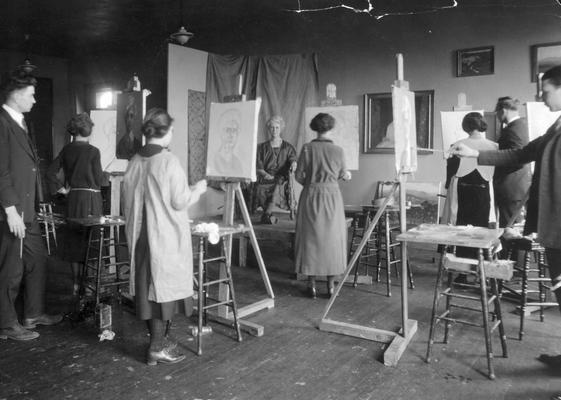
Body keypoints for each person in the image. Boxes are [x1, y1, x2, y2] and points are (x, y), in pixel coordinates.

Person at [451, 66, 561, 389]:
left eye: (547, 90)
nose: (540, 96)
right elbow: (523, 153)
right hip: (554, 228)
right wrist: (476, 152)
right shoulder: (556, 126)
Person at [122, 108, 207, 366]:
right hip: (163, 238)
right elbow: (180, 201)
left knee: (150, 295)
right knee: (162, 295)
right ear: (165, 133)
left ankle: (158, 343)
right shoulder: (168, 161)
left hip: (140, 238)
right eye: (171, 130)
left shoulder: (135, 160)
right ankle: (156, 346)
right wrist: (198, 190)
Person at [0, 71, 62, 341]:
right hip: (11, 212)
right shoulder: (2, 123)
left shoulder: (21, 122)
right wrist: (10, 209)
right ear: (16, 94)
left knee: (37, 259)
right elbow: (0, 171)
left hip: (28, 209)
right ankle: (5, 324)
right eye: (31, 95)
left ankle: (33, 313)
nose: (35, 100)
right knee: (11, 268)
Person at [294, 113, 351, 298]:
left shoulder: (307, 149)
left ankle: (311, 284)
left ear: (314, 127)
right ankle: (331, 284)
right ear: (330, 128)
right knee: (332, 239)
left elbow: (299, 176)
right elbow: (344, 174)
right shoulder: (339, 151)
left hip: (310, 196)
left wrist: (312, 184)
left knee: (310, 238)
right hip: (332, 197)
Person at [46, 113, 104, 295]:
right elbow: (99, 180)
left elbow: (49, 173)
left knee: (73, 242)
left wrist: (62, 189)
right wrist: (107, 176)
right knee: (91, 242)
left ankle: (75, 286)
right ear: (89, 130)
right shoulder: (93, 151)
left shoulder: (67, 149)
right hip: (90, 200)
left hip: (73, 200)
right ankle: (88, 286)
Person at [443, 112, 498, 283]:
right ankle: (482, 269)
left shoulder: (457, 144)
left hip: (462, 191)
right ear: (482, 125)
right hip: (484, 191)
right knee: (482, 228)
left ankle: (463, 272)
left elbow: (451, 172)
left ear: (465, 126)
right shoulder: (494, 146)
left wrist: (447, 186)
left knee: (462, 229)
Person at [493, 96, 532, 227]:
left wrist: (497, 158)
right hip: (515, 187)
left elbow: (519, 158)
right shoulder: (520, 125)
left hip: (511, 188)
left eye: (497, 113)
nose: (497, 116)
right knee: (510, 230)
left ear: (503, 111)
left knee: (511, 232)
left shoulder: (514, 128)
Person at [254, 115, 297, 224]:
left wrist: (293, 163)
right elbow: (258, 165)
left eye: (277, 127)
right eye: (272, 127)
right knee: (258, 187)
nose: (274, 130)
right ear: (269, 129)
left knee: (277, 185)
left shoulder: (288, 147)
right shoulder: (261, 147)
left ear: (281, 129)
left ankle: (266, 215)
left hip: (280, 177)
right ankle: (268, 215)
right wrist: (264, 174)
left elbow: (293, 158)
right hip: (265, 175)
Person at [208, 108, 244, 176]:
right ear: (221, 132)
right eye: (228, 130)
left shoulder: (237, 163)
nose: (231, 135)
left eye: (234, 130)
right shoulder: (213, 159)